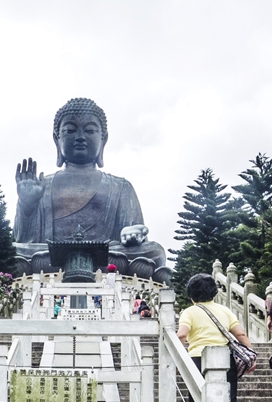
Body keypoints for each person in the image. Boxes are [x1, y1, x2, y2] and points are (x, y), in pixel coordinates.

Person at [13, 98, 170, 282]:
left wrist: (133, 233)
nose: (80, 137)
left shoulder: (120, 186)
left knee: (154, 251)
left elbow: (134, 232)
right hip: (49, 256)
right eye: (70, 130)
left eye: (89, 130)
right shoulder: (41, 185)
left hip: (109, 257)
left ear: (103, 139)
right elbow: (24, 239)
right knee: (11, 252)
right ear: (57, 139)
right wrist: (27, 205)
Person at [177, 273, 254, 402]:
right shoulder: (225, 310)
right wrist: (250, 354)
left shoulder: (189, 312)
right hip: (225, 360)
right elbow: (240, 334)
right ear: (214, 293)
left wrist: (178, 356)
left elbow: (182, 334)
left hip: (197, 359)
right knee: (229, 401)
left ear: (191, 295)